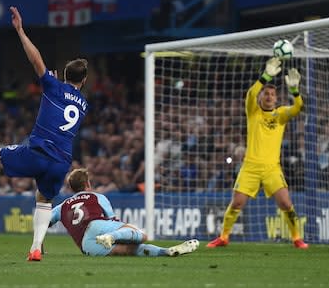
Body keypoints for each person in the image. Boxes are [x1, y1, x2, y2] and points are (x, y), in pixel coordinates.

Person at [0, 6, 90, 261]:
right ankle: (36, 247)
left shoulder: (53, 86)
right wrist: (58, 85)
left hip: (39, 151)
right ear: (84, 81)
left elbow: (36, 60)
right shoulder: (83, 104)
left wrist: (21, 30)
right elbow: (66, 104)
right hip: (61, 162)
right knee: (44, 199)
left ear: (65, 75)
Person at [206, 57, 309, 249]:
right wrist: (265, 76)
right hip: (250, 166)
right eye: (266, 94)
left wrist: (295, 91)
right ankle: (224, 237)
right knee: (237, 203)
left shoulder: (280, 115)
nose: (269, 96)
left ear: (277, 99)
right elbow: (250, 93)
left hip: (271, 168)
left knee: (286, 204)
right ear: (261, 97)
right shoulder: (253, 112)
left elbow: (297, 108)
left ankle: (297, 238)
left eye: (272, 94)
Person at [49, 168, 199, 257]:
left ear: (71, 188)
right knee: (140, 237)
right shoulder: (97, 197)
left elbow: (43, 223)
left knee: (127, 250)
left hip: (86, 245)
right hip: (98, 225)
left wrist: (38, 248)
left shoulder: (61, 207)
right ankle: (112, 237)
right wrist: (119, 232)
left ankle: (167, 252)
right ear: (87, 183)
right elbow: (112, 219)